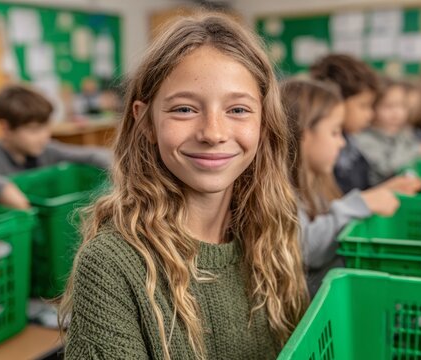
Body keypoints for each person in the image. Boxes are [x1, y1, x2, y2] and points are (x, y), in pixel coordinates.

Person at [59, 14, 309, 359]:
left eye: (237, 109)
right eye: (185, 109)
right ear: (146, 122)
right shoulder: (111, 266)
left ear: (263, 123)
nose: (213, 133)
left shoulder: (273, 232)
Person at [281, 78, 399, 295]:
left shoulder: (319, 181)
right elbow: (306, 248)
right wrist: (362, 203)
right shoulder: (281, 192)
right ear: (304, 135)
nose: (342, 142)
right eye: (335, 132)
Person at [0, 84, 111, 209]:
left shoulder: (46, 150)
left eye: (46, 127)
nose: (44, 137)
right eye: (33, 130)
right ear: (5, 128)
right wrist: (0, 188)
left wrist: (117, 166)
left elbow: (93, 155)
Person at [310, 54, 421, 193]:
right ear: (338, 101)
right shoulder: (324, 152)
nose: (370, 114)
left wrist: (388, 188)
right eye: (363, 106)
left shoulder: (351, 143)